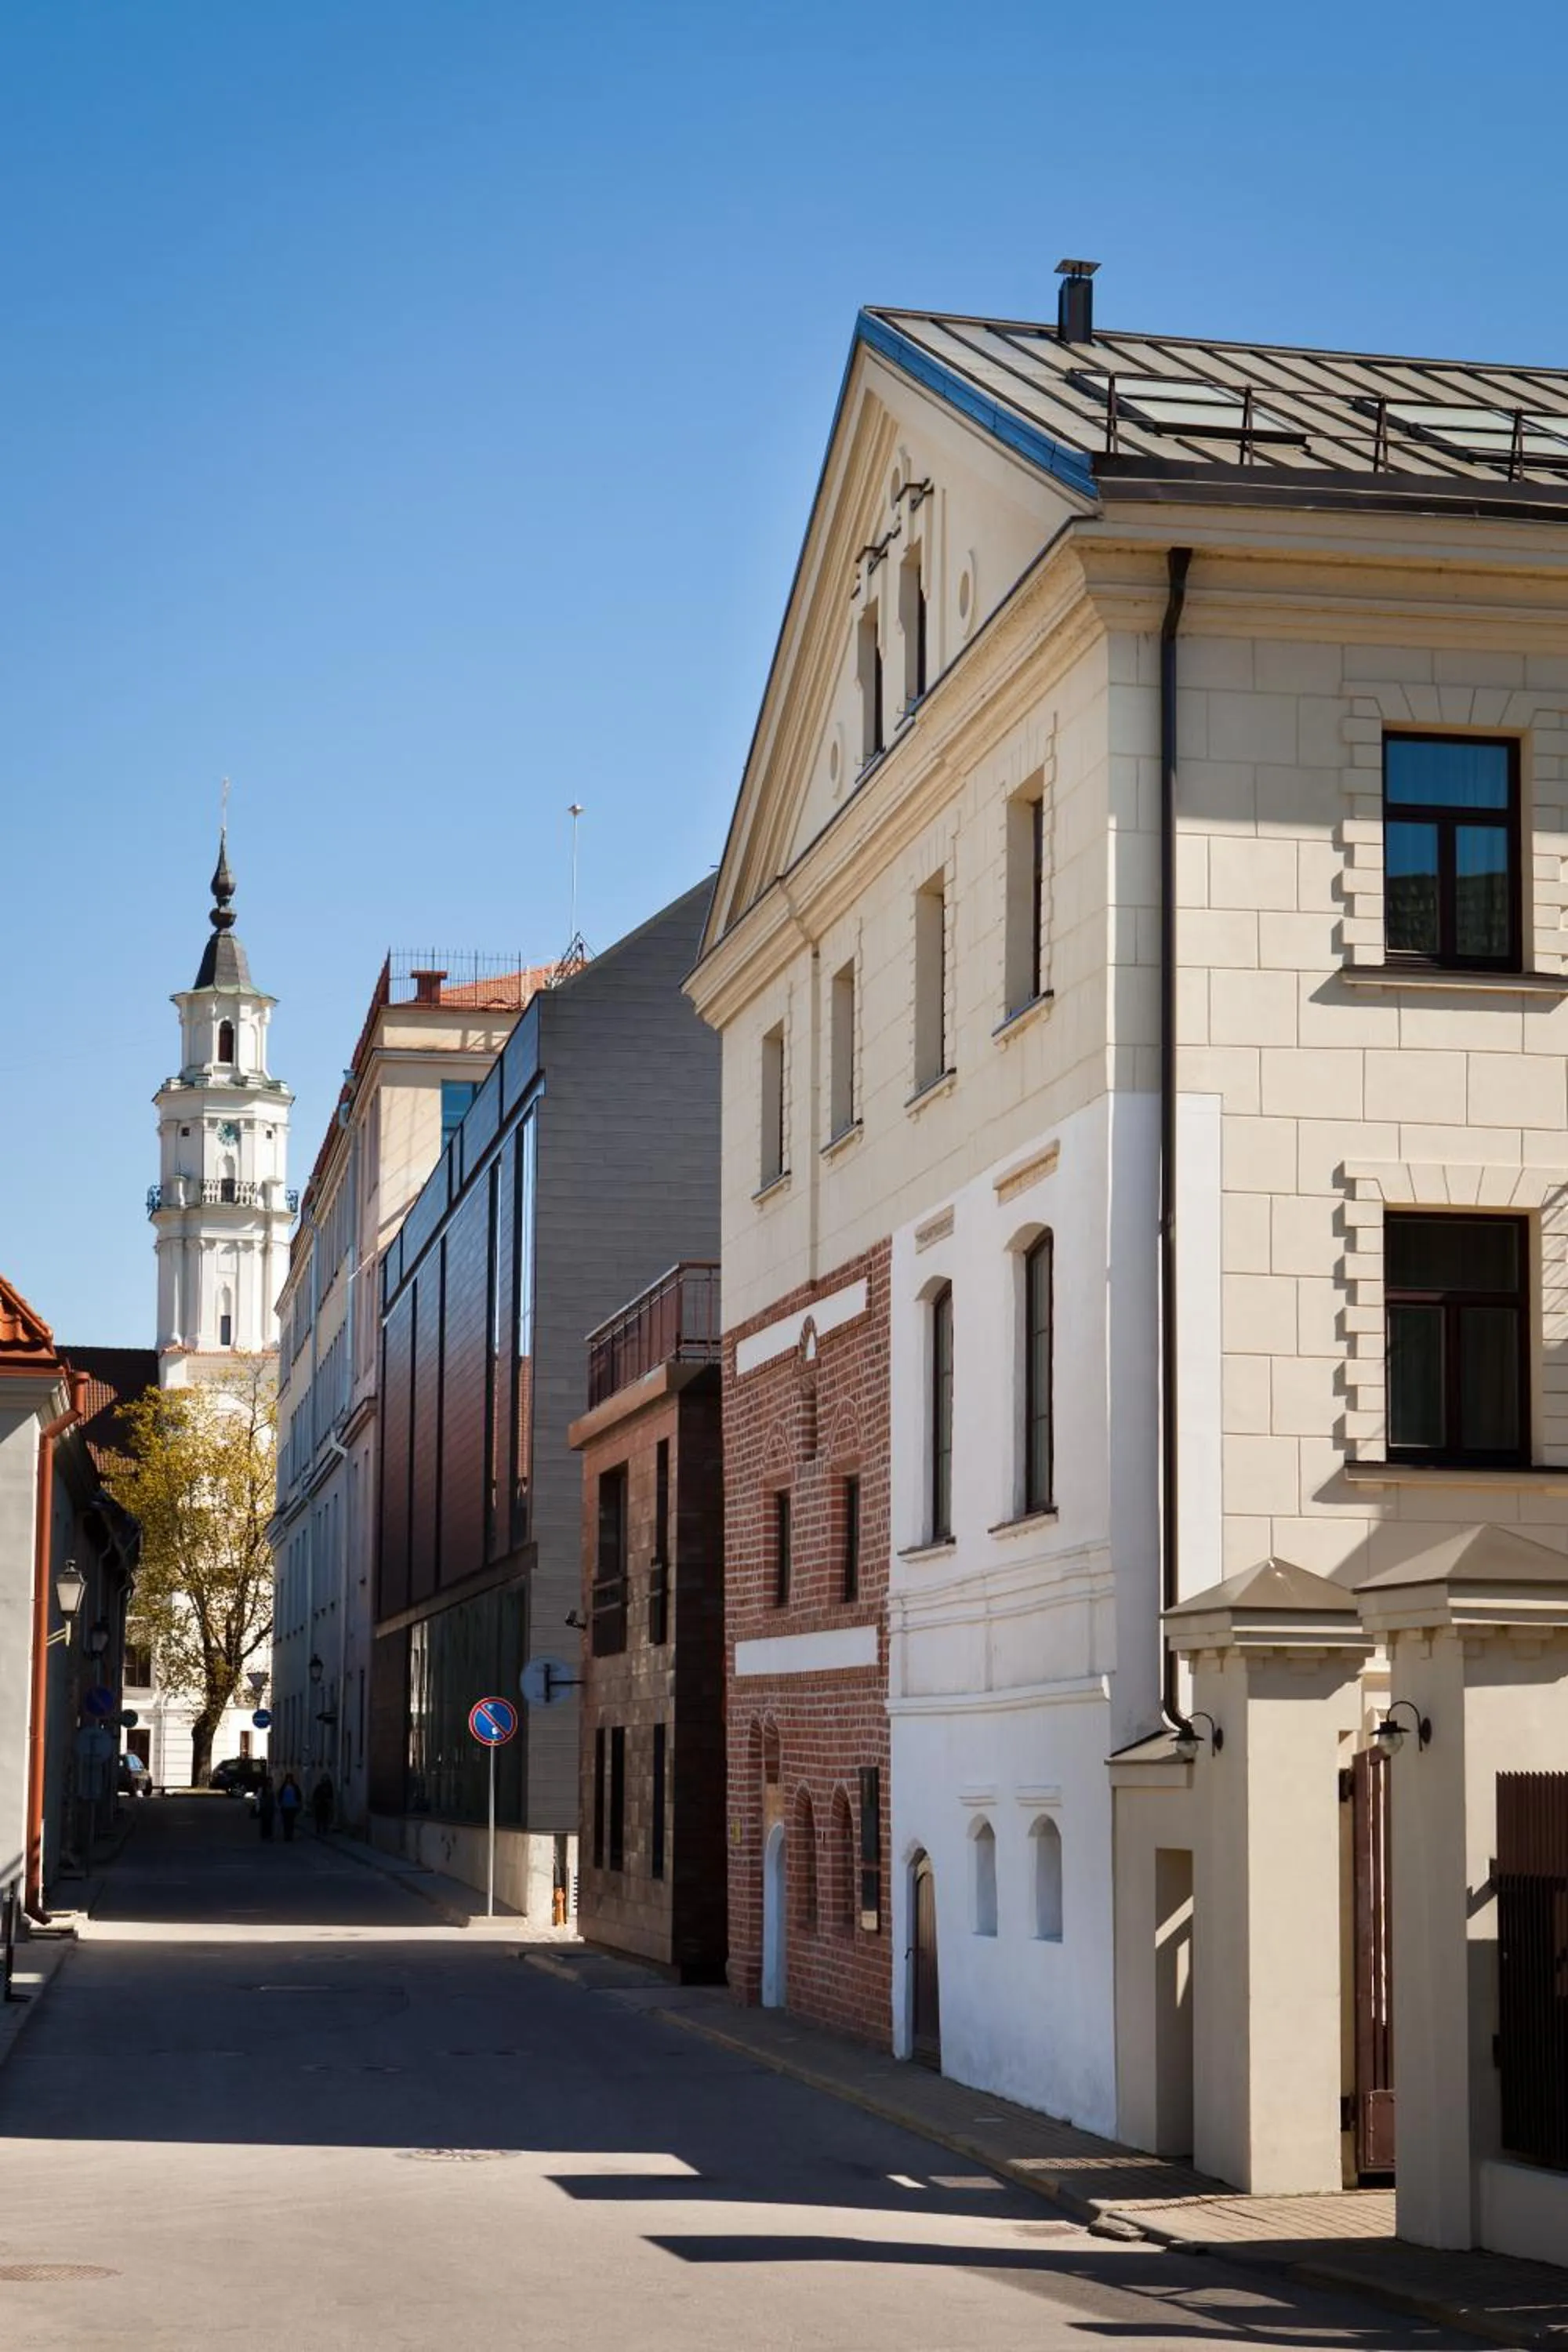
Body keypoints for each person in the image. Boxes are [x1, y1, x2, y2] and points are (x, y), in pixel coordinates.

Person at [277, 1773, 303, 1842]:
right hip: (285, 1806)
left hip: (292, 1806)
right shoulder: (284, 1787)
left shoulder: (295, 1787)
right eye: (288, 1778)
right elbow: (280, 1795)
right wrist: (280, 1804)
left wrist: (299, 1804)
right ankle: (286, 1836)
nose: (289, 1780)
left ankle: (290, 1835)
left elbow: (299, 1796)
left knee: (291, 1822)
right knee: (286, 1822)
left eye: (290, 1778)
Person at [311, 1773, 334, 1837]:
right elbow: (315, 1795)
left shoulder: (329, 1787)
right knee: (320, 1817)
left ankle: (324, 1829)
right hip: (320, 1804)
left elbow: (331, 1796)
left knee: (324, 1817)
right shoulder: (320, 1787)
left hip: (324, 1804)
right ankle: (319, 1829)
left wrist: (329, 1801)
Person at [256, 1772, 276, 1842]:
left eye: (271, 1781)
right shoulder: (262, 1789)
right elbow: (258, 1798)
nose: (270, 1782)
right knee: (264, 1822)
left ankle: (269, 1835)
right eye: (269, 1781)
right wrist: (258, 1808)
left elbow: (274, 1799)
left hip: (270, 1808)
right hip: (264, 1808)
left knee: (270, 1822)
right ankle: (264, 1834)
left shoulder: (272, 1789)